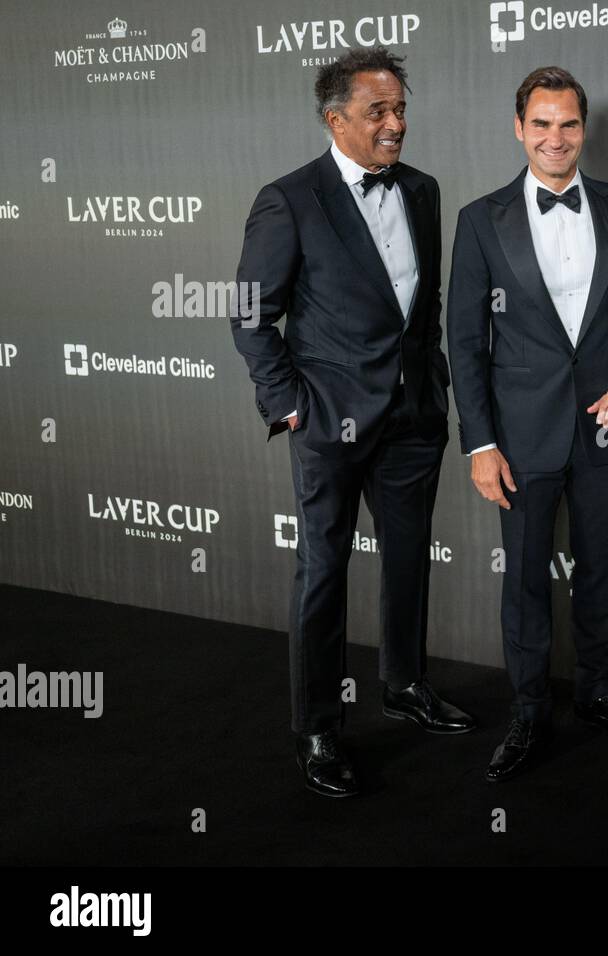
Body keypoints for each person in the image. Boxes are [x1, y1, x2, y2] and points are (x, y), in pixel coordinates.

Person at [231, 47, 475, 799]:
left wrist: (429, 385)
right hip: (328, 420)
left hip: (411, 416)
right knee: (323, 573)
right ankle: (317, 729)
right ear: (336, 119)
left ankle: (403, 684)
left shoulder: (425, 191)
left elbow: (418, 305)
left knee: (406, 563)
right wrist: (288, 403)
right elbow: (249, 314)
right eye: (379, 112)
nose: (396, 124)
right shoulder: (290, 198)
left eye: (401, 108)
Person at [447, 66, 608, 783]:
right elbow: (463, 341)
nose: (555, 137)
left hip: (605, 429)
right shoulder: (481, 220)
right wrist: (481, 441)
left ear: (585, 130)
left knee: (601, 570)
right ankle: (527, 711)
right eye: (541, 124)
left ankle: (599, 694)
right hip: (518, 436)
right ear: (520, 129)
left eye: (568, 124)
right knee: (525, 581)